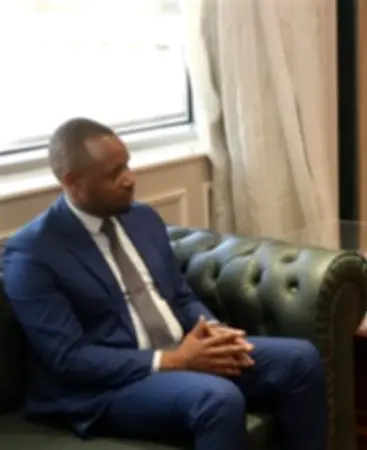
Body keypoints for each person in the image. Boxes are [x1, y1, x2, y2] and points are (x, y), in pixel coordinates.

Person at [2, 118, 327, 450]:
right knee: (216, 398)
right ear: (71, 181)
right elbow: (68, 358)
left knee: (300, 360)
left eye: (127, 165)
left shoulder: (141, 218)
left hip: (181, 351)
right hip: (105, 388)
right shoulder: (32, 254)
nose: (130, 179)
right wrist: (174, 360)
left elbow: (181, 297)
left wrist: (214, 332)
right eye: (114, 174)